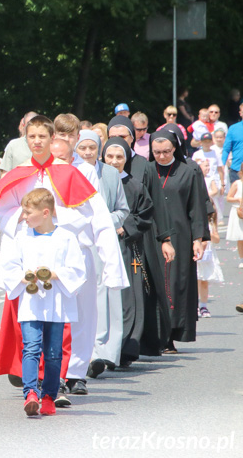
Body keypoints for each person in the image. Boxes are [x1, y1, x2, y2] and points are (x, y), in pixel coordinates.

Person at [0, 116, 125, 405]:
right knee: (38, 319)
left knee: (79, 316)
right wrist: (29, 224)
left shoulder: (73, 172)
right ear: (25, 138)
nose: (37, 141)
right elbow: (7, 213)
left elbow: (97, 218)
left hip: (69, 251)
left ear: (53, 139)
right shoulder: (20, 173)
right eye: (31, 136)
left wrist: (111, 264)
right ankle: (41, 381)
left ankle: (73, 373)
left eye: (42, 136)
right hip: (33, 253)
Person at [0, 188, 86, 417]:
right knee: (31, 348)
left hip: (56, 303)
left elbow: (77, 269)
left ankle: (49, 396)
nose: (24, 217)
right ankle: (31, 394)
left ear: (45, 212)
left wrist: (54, 274)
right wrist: (25, 276)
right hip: (31, 302)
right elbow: (9, 265)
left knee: (54, 352)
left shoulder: (66, 237)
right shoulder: (22, 237)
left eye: (28, 212)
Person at [102, 138, 168, 365]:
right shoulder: (95, 182)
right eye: (109, 156)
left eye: (119, 157)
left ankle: (127, 347)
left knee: (128, 298)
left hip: (126, 248)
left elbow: (146, 214)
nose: (114, 161)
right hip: (99, 249)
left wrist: (125, 227)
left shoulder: (135, 185)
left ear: (127, 159)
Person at [145, 129, 206, 353]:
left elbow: (196, 208)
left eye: (166, 152)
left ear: (175, 150)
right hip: (151, 236)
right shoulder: (147, 170)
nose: (161, 156)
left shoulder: (188, 171)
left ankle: (171, 334)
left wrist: (198, 239)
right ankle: (155, 334)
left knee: (176, 285)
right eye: (157, 152)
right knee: (154, 284)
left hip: (180, 236)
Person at [75, 130, 130, 377]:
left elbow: (122, 209)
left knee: (106, 295)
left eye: (92, 148)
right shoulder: (71, 172)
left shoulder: (109, 173)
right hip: (78, 241)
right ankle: (80, 353)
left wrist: (103, 220)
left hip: (103, 238)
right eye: (82, 148)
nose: (87, 153)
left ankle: (105, 352)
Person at [196, 160, 224, 319]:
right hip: (195, 254)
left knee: (204, 281)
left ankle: (204, 306)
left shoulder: (211, 222)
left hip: (207, 256)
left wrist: (209, 233)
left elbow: (217, 238)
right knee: (193, 281)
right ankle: (193, 306)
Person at [0, 111, 38, 175]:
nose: (32, 127)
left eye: (35, 123)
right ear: (23, 125)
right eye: (29, 124)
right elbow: (5, 174)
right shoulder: (13, 145)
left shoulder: (47, 145)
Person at [221, 103, 243, 185]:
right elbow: (226, 149)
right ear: (240, 113)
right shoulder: (233, 129)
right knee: (236, 196)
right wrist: (222, 164)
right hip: (237, 170)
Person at [225, 175, 243, 270]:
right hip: (239, 210)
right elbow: (228, 198)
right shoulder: (237, 184)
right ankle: (241, 258)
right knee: (240, 237)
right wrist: (238, 199)